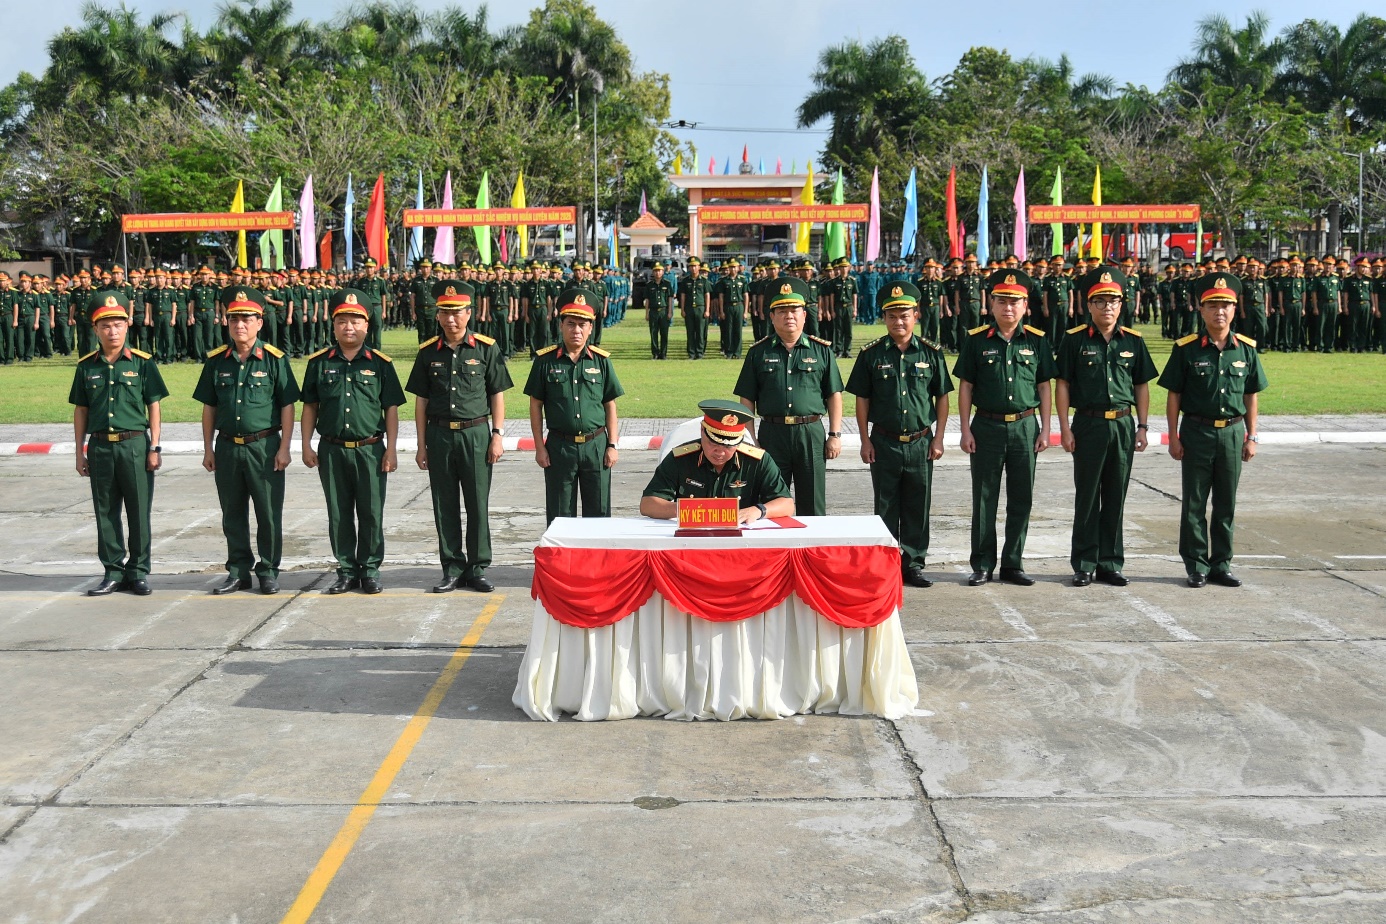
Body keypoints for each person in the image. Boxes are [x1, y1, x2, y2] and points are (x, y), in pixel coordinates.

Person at [1160, 273, 1268, 588]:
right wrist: (1173, 437)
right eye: (1212, 306)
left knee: (1225, 503)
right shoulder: (1187, 349)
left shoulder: (1245, 349)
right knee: (1194, 502)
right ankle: (1196, 565)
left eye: (1225, 306)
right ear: (1202, 309)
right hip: (1197, 431)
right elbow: (1174, 395)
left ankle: (1221, 565)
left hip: (1233, 433)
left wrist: (1252, 436)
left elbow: (1251, 395)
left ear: (1234, 309)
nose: (1219, 312)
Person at [953, 269, 1057, 586]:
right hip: (986, 426)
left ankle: (1013, 563)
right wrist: (965, 429)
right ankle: (983, 563)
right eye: (1002, 301)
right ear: (991, 303)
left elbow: (1044, 387)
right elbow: (966, 387)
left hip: (1025, 426)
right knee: (984, 498)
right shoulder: (976, 340)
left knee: (1021, 498)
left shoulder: (1037, 341)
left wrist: (1045, 428)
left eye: (1014, 302)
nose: (1008, 308)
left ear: (1025, 306)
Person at [407, 280, 513, 594]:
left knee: (477, 503)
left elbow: (496, 394)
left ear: (469, 313)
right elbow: (421, 401)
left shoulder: (486, 348)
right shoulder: (428, 352)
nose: (451, 319)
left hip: (476, 435)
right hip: (440, 435)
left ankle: (477, 568)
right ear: (437, 315)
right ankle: (452, 567)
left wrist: (497, 434)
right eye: (445, 312)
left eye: (457, 312)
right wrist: (421, 445)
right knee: (445, 504)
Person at [1055, 267, 1157, 587]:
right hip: (1088, 424)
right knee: (1087, 496)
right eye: (1100, 301)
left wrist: (1142, 426)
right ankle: (1084, 563)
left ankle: (1110, 562)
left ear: (1121, 304)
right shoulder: (1074, 340)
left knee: (1115, 495)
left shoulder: (1133, 341)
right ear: (1089, 305)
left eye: (1113, 300)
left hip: (1123, 424)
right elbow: (1062, 384)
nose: (1107, 307)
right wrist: (1065, 428)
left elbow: (1141, 385)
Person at [193, 287, 299, 595]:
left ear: (259, 323)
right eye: (234, 319)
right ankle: (238, 571)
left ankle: (268, 570)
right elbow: (209, 407)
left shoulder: (274, 360)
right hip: (227, 447)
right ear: (226, 322)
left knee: (268, 513)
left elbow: (287, 405)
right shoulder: (217, 361)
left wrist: (285, 447)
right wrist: (208, 448)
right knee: (232, 513)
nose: (240, 325)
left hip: (263, 447)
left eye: (247, 319)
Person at [846, 282, 952, 587]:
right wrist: (865, 440)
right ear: (884, 318)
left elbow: (942, 397)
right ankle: (886, 565)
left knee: (918, 506)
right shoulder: (871, 354)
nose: (898, 322)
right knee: (886, 506)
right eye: (892, 316)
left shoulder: (931, 353)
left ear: (916, 315)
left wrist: (939, 438)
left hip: (921, 442)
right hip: (884, 442)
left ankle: (914, 564)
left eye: (904, 315)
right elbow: (862, 399)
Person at [300, 289, 405, 595]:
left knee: (371, 513)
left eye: (355, 321)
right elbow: (310, 407)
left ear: (366, 326)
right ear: (333, 326)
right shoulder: (319, 363)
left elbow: (391, 409)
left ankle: (370, 570)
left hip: (370, 449)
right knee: (339, 513)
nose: (349, 327)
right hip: (332, 449)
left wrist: (391, 449)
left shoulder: (380, 364)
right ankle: (346, 570)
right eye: (342, 321)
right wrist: (305, 445)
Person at [70, 291, 168, 596]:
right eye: (106, 326)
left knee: (138, 512)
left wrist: (154, 447)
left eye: (118, 325)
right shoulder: (87, 366)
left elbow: (154, 405)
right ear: (95, 329)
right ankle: (112, 571)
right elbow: (81, 410)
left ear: (127, 326)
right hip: (100, 447)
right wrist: (79, 452)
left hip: (134, 445)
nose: (112, 331)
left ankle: (138, 572)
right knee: (105, 512)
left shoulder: (142, 363)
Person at [733, 274, 843, 517]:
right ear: (771, 317)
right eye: (781, 311)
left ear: (804, 314)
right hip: (772, 434)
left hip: (810, 434)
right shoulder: (758, 352)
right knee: (770, 502)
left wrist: (835, 435)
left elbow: (834, 394)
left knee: (812, 502)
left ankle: (812, 543)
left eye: (794, 310)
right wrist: (751, 440)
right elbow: (746, 400)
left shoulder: (822, 351)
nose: (789, 316)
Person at [525, 289, 623, 524]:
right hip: (560, 447)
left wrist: (612, 445)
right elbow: (536, 405)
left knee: (599, 515)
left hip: (596, 446)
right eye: (571, 323)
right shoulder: (545, 361)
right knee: (560, 517)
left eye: (582, 324)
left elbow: (610, 405)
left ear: (590, 328)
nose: (576, 330)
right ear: (561, 325)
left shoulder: (601, 361)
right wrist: (539, 447)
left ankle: (596, 552)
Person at [640, 400, 794, 522]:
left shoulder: (757, 460)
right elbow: (648, 504)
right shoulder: (680, 458)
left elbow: (786, 504)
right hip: (692, 538)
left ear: (739, 441)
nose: (720, 452)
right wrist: (685, 510)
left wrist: (757, 511)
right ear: (702, 431)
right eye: (713, 443)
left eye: (728, 446)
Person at [681, 256, 712, 359]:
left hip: (700, 308)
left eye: (695, 266)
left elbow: (707, 295)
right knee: (690, 331)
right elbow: (683, 296)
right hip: (689, 308)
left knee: (700, 331)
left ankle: (699, 352)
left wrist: (707, 310)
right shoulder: (685, 281)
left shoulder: (704, 281)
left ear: (699, 267)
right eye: (691, 266)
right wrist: (682, 309)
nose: (693, 268)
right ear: (689, 268)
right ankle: (691, 352)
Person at [643, 262, 675, 359]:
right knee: (653, 333)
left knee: (664, 333)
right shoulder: (649, 285)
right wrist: (646, 313)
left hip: (664, 311)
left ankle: (663, 353)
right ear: (653, 272)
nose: (658, 273)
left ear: (663, 272)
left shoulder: (667, 284)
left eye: (659, 271)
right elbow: (647, 300)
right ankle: (655, 353)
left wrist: (670, 312)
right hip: (653, 311)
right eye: (656, 271)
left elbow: (670, 298)